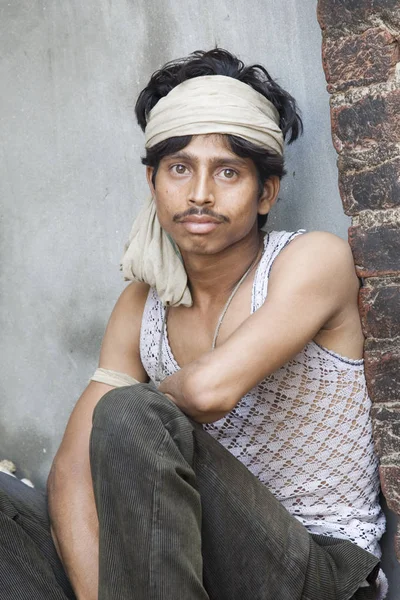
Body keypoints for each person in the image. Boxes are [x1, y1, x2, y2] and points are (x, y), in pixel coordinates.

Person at [0, 48, 386, 600]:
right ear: (153, 182)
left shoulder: (308, 260)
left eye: (228, 172)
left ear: (266, 192)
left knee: (129, 410)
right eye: (180, 168)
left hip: (315, 571)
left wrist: (138, 412)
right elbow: (70, 477)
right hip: (182, 573)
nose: (200, 193)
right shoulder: (142, 304)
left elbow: (207, 391)